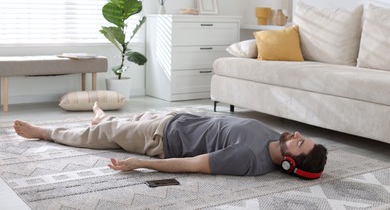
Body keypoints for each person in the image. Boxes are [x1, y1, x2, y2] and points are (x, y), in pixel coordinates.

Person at [13, 102, 327, 178]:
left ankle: (45, 133)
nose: (297, 135)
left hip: (160, 139)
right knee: (121, 122)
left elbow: (193, 164)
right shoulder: (277, 138)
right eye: (303, 137)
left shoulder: (247, 158)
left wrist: (141, 164)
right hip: (175, 119)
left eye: (300, 144)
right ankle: (103, 116)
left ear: (288, 162)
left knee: (97, 137)